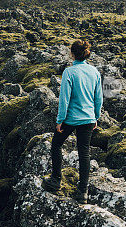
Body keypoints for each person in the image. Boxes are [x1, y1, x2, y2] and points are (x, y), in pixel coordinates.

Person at [42, 39, 102, 203]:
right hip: (88, 119)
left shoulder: (69, 72)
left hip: (70, 118)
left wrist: (60, 120)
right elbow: (99, 98)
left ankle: (55, 181)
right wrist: (95, 117)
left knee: (56, 145)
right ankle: (83, 192)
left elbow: (64, 99)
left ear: (72, 54)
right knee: (84, 153)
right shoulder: (94, 72)